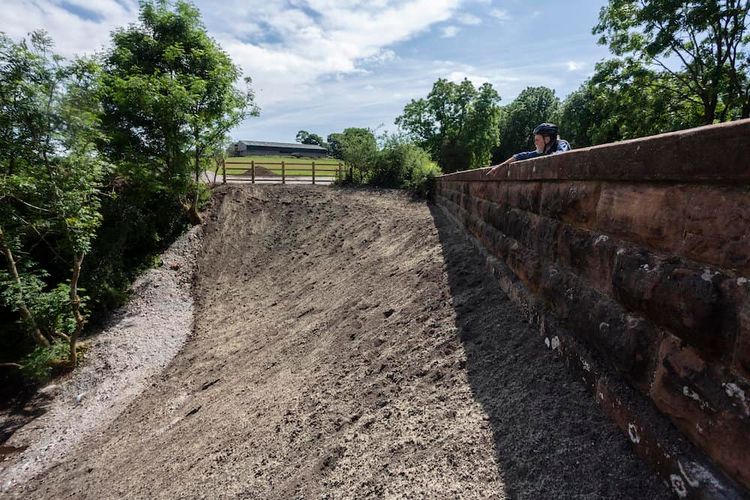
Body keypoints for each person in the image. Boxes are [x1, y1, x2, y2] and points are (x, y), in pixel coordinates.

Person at [486, 123, 570, 176]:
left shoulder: (562, 143)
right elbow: (521, 156)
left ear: (547, 140)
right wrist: (499, 166)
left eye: (537, 140)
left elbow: (561, 154)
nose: (535, 143)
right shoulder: (545, 149)